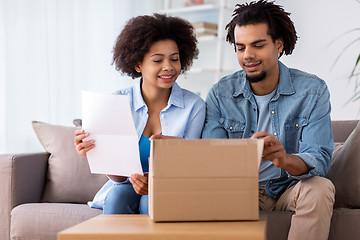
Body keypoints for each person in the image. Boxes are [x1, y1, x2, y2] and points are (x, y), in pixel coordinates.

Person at [201, 1, 335, 239]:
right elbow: (212, 160)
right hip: (240, 191)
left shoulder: (313, 91)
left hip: (288, 188)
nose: (247, 55)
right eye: (240, 48)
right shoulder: (221, 94)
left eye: (258, 45)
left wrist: (283, 159)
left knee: (320, 188)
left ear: (278, 45)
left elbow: (319, 159)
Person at [74, 13, 205, 215]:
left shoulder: (194, 106)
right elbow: (118, 178)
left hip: (171, 186)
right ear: (138, 65)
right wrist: (96, 151)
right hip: (126, 186)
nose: (168, 67)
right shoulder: (115, 103)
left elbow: (191, 166)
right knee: (117, 196)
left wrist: (155, 183)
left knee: (149, 201)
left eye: (174, 59)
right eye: (157, 60)